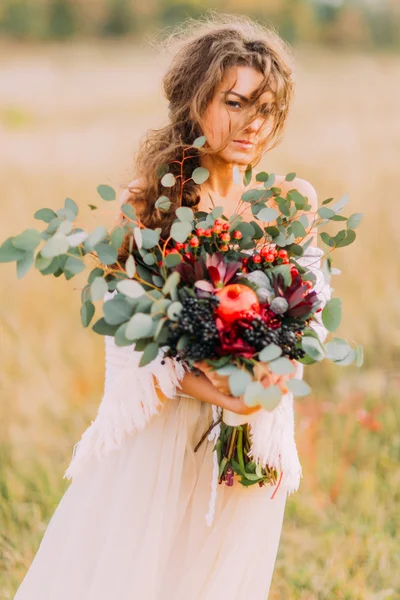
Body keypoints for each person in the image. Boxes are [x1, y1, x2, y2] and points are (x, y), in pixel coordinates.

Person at [14, 14, 329, 600]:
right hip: (161, 433)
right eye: (234, 102)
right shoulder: (151, 202)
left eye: (266, 108)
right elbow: (132, 335)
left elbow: (305, 318)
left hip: (247, 440)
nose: (251, 124)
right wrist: (220, 390)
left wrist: (262, 382)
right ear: (194, 100)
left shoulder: (292, 202)